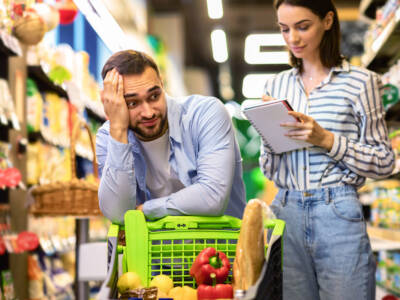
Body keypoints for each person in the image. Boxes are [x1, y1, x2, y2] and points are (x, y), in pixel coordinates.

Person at [260, 0, 395, 299]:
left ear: (328, 20)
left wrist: (327, 140)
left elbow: (385, 161)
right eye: (284, 29)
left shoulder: (361, 83)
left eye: (302, 26)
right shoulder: (276, 84)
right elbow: (269, 169)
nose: (292, 38)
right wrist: (270, 138)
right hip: (286, 212)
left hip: (338, 212)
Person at [96, 50, 246, 224]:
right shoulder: (109, 136)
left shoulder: (205, 114)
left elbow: (213, 197)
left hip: (221, 246)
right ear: (114, 103)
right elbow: (117, 213)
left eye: (154, 96)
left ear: (162, 84)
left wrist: (146, 210)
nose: (148, 112)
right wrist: (118, 129)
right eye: (132, 103)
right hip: (155, 251)